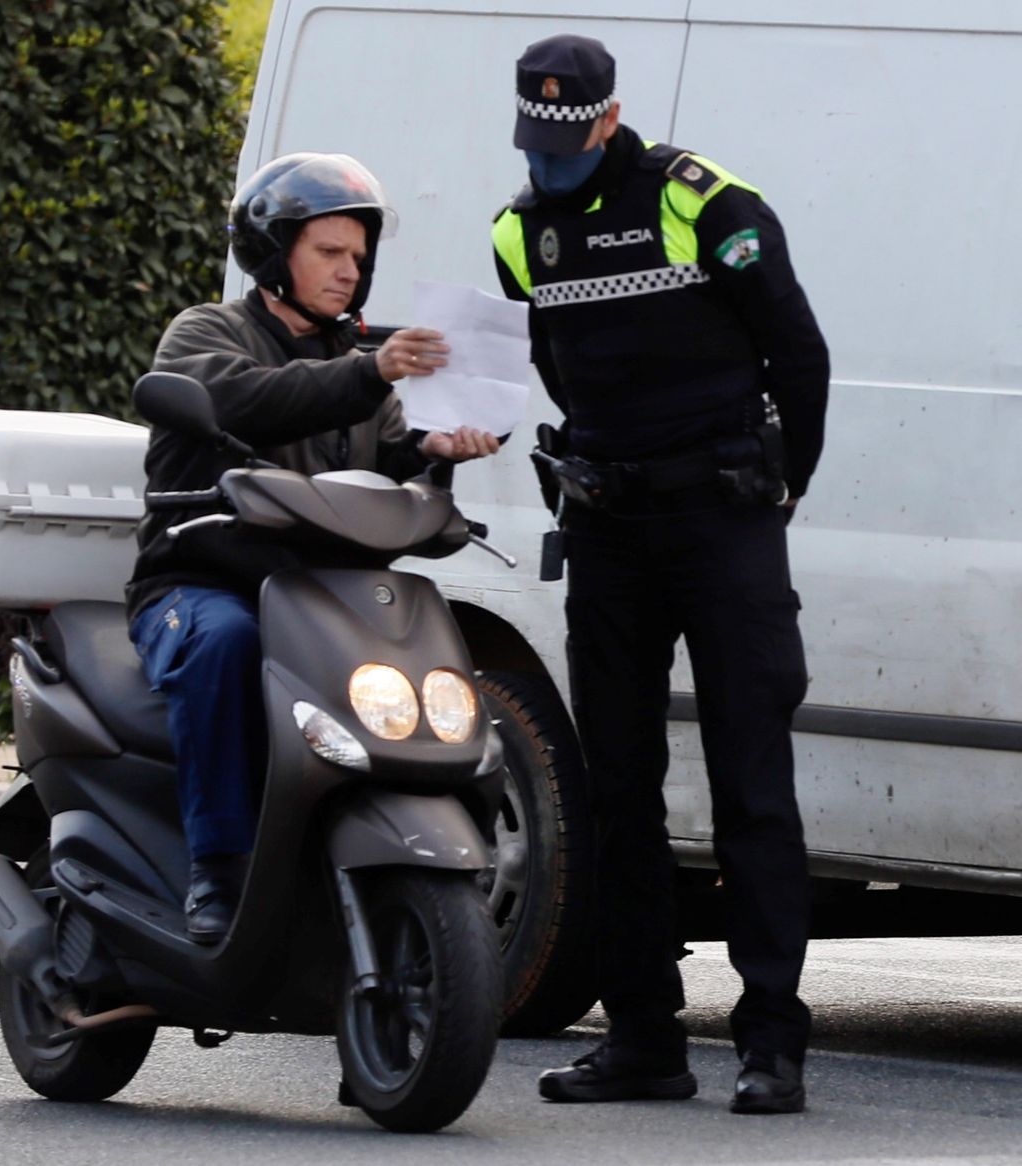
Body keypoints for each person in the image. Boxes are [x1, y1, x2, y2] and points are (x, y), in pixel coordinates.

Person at [490, 35, 829, 1114]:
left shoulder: (706, 205)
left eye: (566, 136)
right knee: (617, 787)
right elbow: (549, 364)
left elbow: (798, 352)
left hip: (721, 522)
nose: (549, 159)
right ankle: (644, 1037)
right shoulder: (517, 232)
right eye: (531, 139)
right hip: (609, 530)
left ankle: (772, 1040)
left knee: (750, 782)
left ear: (608, 115)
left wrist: (785, 486)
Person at [126, 152, 498, 943]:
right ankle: (218, 868)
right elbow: (246, 399)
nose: (347, 272)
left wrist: (440, 450)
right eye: (329, 252)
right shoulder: (207, 331)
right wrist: (369, 373)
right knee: (226, 643)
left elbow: (393, 460)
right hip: (200, 587)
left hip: (323, 597)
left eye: (358, 258)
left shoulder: (352, 361)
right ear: (271, 249)